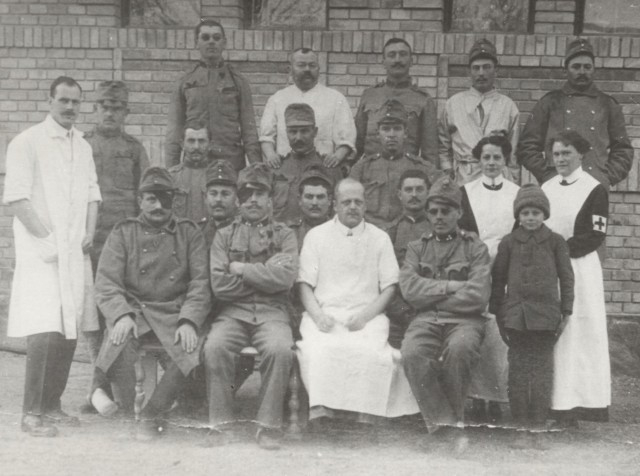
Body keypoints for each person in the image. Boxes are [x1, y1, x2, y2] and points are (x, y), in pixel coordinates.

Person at [3, 76, 101, 437]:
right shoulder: (27, 141)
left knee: (68, 328)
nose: (70, 107)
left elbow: (92, 193)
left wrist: (89, 231)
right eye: (64, 100)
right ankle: (32, 413)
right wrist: (48, 241)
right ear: (50, 101)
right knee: (43, 329)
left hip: (74, 252)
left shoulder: (83, 146)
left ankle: (53, 406)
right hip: (41, 252)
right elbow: (17, 199)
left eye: (76, 102)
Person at [93, 167, 211, 440]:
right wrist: (121, 314)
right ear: (140, 201)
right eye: (151, 199)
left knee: (190, 347)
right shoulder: (124, 232)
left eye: (165, 199)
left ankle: (153, 413)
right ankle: (125, 414)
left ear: (174, 201)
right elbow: (107, 282)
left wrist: (189, 320)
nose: (158, 206)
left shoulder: (189, 233)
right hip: (135, 310)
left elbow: (200, 283)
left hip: (174, 311)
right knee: (118, 341)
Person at [296, 178, 419, 423]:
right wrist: (318, 316)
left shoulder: (379, 238)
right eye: (346, 202)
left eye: (358, 202)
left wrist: (365, 317)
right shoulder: (316, 236)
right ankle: (323, 410)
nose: (352, 207)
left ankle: (367, 413)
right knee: (320, 350)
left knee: (370, 353)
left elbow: (389, 286)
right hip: (324, 313)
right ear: (335, 205)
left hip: (369, 315)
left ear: (365, 205)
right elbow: (304, 284)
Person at [204, 163, 298, 450]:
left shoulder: (285, 235)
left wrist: (242, 269)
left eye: (260, 194)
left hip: (272, 313)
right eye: (247, 195)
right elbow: (220, 285)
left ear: (270, 199)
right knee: (215, 346)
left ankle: (268, 426)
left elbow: (286, 279)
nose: (253, 200)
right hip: (233, 313)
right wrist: (266, 273)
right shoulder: (224, 236)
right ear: (238, 200)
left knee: (280, 349)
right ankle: (221, 424)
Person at [400, 176, 491, 453]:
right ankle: (449, 427)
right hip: (425, 320)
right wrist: (450, 287)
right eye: (433, 211)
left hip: (465, 321)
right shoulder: (417, 247)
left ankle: (446, 429)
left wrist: (431, 296)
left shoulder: (475, 247)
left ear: (459, 213)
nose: (438, 217)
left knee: (460, 348)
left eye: (446, 211)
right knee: (412, 352)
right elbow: (409, 288)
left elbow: (478, 294)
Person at [491, 184, 574, 442]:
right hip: (516, 318)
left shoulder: (556, 242)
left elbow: (567, 277)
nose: (530, 218)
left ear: (544, 214)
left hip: (546, 319)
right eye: (525, 213)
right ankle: (520, 426)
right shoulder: (508, 242)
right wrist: (498, 312)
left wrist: (566, 310)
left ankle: (538, 426)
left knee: (541, 373)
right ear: (518, 215)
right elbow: (498, 279)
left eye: (535, 213)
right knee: (518, 372)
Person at [541, 131, 611, 425]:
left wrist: (560, 251)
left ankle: (579, 403)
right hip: (549, 267)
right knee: (555, 332)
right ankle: (554, 403)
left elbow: (595, 235)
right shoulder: (546, 187)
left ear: (581, 155)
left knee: (579, 332)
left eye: (566, 153)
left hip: (580, 268)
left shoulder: (594, 189)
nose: (560, 159)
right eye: (556, 154)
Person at [84, 80, 149, 369]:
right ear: (95, 108)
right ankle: (97, 378)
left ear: (126, 112)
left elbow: (146, 196)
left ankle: (115, 374)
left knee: (120, 306)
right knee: (91, 313)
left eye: (117, 108)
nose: (109, 113)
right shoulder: (82, 145)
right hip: (89, 242)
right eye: (104, 107)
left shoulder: (134, 149)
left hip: (123, 243)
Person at [459, 134, 520, 422]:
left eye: (497, 157)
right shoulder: (466, 192)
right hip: (476, 269)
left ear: (506, 159)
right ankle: (476, 397)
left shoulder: (516, 192)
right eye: (486, 157)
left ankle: (496, 398)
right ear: (478, 160)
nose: (492, 163)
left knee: (499, 331)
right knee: (476, 326)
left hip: (506, 269)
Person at [518, 38, 633, 189]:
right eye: (576, 67)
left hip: (595, 185)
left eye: (587, 67)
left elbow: (623, 149)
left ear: (594, 70)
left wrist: (606, 177)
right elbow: (527, 145)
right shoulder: (550, 102)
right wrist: (547, 174)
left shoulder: (608, 104)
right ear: (565, 70)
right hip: (558, 184)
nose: (582, 72)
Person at [165, 19, 260, 170]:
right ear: (196, 43)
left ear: (224, 43)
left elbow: (249, 131)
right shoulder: (185, 82)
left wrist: (257, 167)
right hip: (195, 163)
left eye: (216, 38)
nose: (211, 42)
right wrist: (172, 170)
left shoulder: (238, 81)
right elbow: (174, 131)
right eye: (205, 37)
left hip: (230, 163)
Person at [438, 39, 520, 185]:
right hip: (464, 177)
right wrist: (448, 171)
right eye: (476, 68)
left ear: (496, 70)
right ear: (469, 71)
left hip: (498, 177)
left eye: (487, 67)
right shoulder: (453, 104)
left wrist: (513, 182)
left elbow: (513, 153)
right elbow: (443, 146)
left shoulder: (508, 106)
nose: (481, 73)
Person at [350, 99, 440, 229]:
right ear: (377, 133)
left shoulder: (422, 168)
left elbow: (444, 195)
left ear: (406, 133)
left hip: (408, 232)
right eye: (386, 129)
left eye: (397, 129)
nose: (391, 134)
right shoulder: (362, 168)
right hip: (371, 231)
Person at [260, 47, 355, 169]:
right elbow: (266, 137)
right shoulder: (277, 99)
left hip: (323, 169)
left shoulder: (336, 98)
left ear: (319, 69)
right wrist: (271, 156)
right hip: (285, 169)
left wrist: (337, 157)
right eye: (301, 65)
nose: (307, 69)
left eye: (312, 65)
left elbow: (346, 139)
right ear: (290, 69)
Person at [355, 38, 438, 165]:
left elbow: (430, 152)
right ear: (383, 62)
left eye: (403, 54)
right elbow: (357, 142)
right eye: (392, 55)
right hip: (370, 171)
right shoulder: (369, 95)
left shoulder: (423, 99)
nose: (397, 60)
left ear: (411, 61)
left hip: (406, 172)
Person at [269, 103, 344, 223]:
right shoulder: (277, 168)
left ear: (315, 132)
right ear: (286, 133)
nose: (298, 137)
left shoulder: (330, 168)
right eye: (293, 132)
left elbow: (339, 210)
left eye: (304, 131)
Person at [384, 169, 432, 349]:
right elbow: (385, 281)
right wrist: (404, 313)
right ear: (399, 194)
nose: (414, 194)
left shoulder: (441, 229)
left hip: (432, 311)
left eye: (419, 189)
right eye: (408, 190)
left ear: (428, 193)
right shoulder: (389, 233)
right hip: (398, 314)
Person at [170, 121, 214, 223]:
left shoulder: (216, 176)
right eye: (191, 141)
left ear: (210, 145)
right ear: (182, 144)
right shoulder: (171, 177)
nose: (196, 147)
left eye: (201, 141)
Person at [288, 165, 335, 251]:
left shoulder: (338, 230)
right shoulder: (289, 231)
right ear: (300, 200)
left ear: (329, 200)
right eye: (309, 197)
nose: (314, 203)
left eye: (320, 197)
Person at [200, 159, 239, 248]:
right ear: (205, 198)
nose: (218, 199)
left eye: (225, 194)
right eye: (213, 194)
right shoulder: (197, 233)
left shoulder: (242, 232)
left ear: (236, 198)